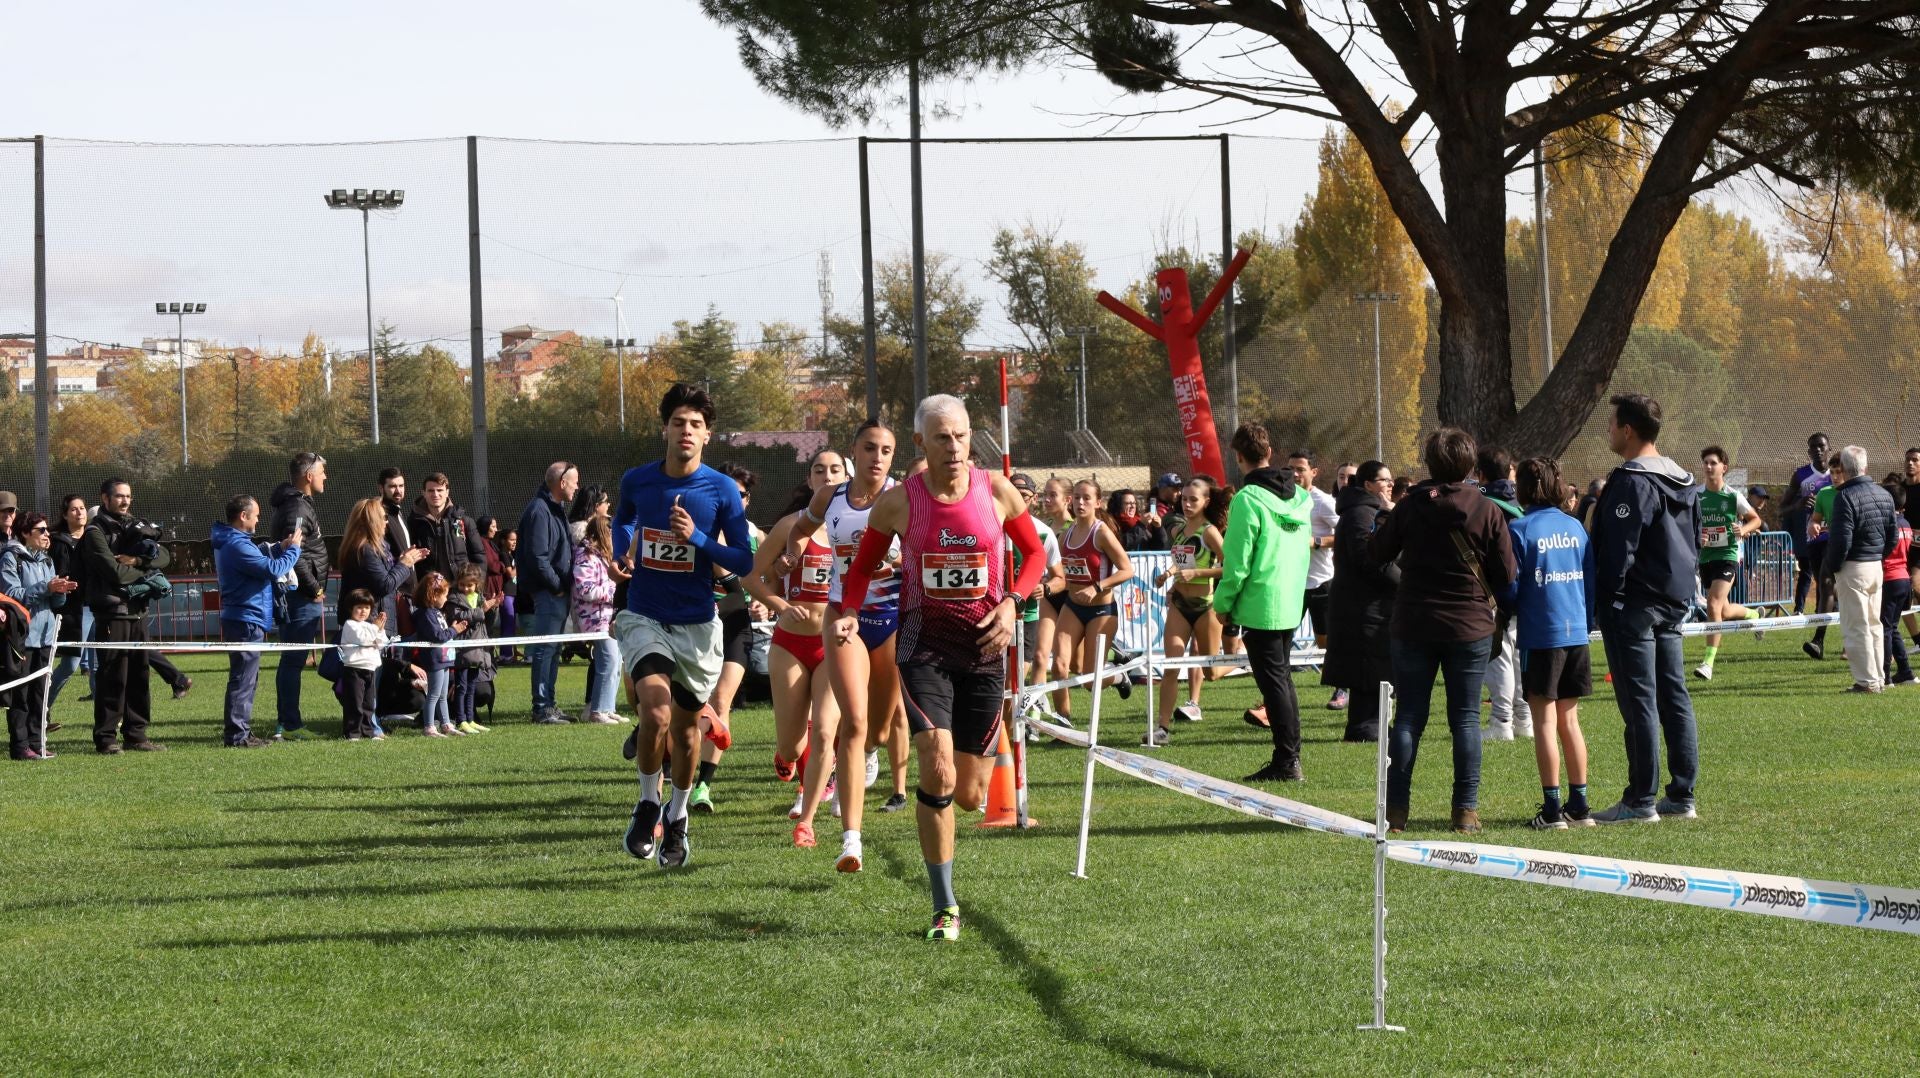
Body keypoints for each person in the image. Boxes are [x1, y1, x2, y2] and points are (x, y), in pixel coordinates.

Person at [827, 393, 1047, 941]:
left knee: (969, 793)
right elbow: (863, 567)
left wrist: (1012, 601)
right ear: (921, 442)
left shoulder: (996, 490)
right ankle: (944, 905)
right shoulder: (899, 503)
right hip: (923, 647)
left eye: (962, 436)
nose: (954, 447)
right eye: (942, 437)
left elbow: (1037, 555)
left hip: (984, 649)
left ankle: (955, 821)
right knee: (938, 768)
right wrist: (849, 610)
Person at [613, 385, 758, 871]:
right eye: (679, 422)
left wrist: (696, 538)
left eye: (696, 424)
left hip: (697, 624)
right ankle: (647, 802)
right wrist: (623, 548)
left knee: (686, 730)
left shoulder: (720, 490)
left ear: (708, 435)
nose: (687, 431)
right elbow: (624, 519)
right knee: (654, 713)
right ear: (665, 430)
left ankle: (677, 815)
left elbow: (743, 559)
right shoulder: (638, 479)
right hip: (645, 614)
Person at [1371, 428, 1515, 833]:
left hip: (1413, 622)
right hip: (1469, 625)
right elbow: (1507, 573)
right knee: (1465, 720)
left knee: (1409, 717)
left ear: (1429, 463)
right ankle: (1465, 811)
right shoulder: (1486, 509)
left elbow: (1376, 553)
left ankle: (1396, 810)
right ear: (1470, 465)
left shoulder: (1409, 507)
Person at [780, 432, 905, 860]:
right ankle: (851, 839)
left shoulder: (903, 497)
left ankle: (869, 752)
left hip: (889, 618)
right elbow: (801, 529)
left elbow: (923, 547)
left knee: (879, 730)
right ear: (854, 453)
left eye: (886, 451)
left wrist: (900, 559)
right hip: (842, 615)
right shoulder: (830, 498)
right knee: (853, 722)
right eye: (869, 449)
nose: (877, 457)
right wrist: (793, 552)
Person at [1591, 393, 1702, 824]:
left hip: (1634, 605)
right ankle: (1682, 795)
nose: (1608, 430)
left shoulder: (1632, 481)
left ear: (1628, 430)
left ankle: (1640, 800)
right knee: (1674, 696)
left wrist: (1608, 597)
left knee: (1641, 701)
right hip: (1672, 601)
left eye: (1611, 423)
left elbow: (1619, 549)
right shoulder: (1683, 478)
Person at [755, 473, 848, 849]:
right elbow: (753, 577)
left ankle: (806, 822)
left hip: (833, 644)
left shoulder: (855, 527)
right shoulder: (789, 526)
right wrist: (779, 600)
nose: (828, 477)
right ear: (810, 480)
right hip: (790, 644)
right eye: (820, 470)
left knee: (825, 731)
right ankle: (785, 755)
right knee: (793, 746)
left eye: (835, 471)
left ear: (846, 478)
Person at [1219, 423, 1314, 783]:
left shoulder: (1247, 499)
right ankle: (1289, 756)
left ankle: (1288, 760)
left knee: (1274, 685)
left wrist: (1223, 602)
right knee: (1282, 681)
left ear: (1238, 456)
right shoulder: (1300, 497)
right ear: (1270, 453)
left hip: (1260, 601)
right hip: (1290, 598)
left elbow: (1237, 561)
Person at [1504, 458, 1597, 830]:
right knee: (1569, 721)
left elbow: (1511, 588)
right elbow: (1589, 582)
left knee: (1544, 721)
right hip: (1576, 633)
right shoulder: (1575, 526)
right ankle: (1580, 806)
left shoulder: (1520, 529)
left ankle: (1552, 810)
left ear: (1523, 489)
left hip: (1542, 635)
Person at [83, 478, 174, 754]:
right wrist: (145, 569)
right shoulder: (94, 531)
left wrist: (137, 560)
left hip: (138, 611)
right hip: (112, 613)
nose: (125, 501)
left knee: (139, 675)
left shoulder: (137, 525)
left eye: (128, 496)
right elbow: (115, 574)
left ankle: (136, 735)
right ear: (105, 498)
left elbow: (164, 556)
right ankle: (106, 738)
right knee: (113, 676)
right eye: (120, 496)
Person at [698, 463, 768, 814]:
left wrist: (764, 603)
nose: (733, 499)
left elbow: (766, 582)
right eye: (726, 492)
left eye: (740, 494)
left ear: (748, 499)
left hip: (736, 624)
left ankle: (702, 786)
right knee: (691, 704)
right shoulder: (701, 529)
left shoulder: (758, 536)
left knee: (722, 700)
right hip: (696, 623)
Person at [211, 494, 304, 748]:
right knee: (243, 679)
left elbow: (262, 559)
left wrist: (280, 547)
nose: (258, 520)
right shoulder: (236, 545)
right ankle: (237, 736)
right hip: (245, 618)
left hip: (247, 618)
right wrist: (294, 549)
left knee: (246, 679)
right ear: (243, 516)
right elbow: (272, 569)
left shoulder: (236, 542)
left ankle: (242, 731)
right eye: (256, 515)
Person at [1322, 462, 1396, 743]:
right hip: (1361, 605)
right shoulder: (1361, 513)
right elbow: (1369, 558)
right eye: (1383, 480)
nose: (1390, 484)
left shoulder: (1364, 510)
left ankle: (1370, 725)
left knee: (1374, 668)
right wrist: (1404, 581)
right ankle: (1366, 727)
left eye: (1391, 479)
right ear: (1367, 485)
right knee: (1367, 668)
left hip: (1368, 603)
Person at [1053, 478, 1136, 722]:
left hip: (1101, 610)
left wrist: (1097, 587)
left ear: (1098, 502)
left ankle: (1119, 676)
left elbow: (1127, 570)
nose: (1080, 503)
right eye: (1077, 497)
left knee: (1090, 680)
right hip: (1073, 607)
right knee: (1059, 665)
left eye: (1086, 498)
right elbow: (1061, 574)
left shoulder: (1101, 533)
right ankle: (1063, 723)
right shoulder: (1065, 535)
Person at [1154, 476, 1225, 742]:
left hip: (1205, 607)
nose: (1187, 503)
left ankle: (1241, 657)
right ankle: (1162, 728)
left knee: (1211, 673)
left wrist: (1198, 573)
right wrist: (1168, 574)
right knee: (1171, 665)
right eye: (1184, 499)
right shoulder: (1180, 530)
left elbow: (1230, 567)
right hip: (1180, 605)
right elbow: (1183, 561)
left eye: (1193, 499)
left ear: (1206, 501)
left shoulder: (1210, 532)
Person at [1, 511, 77, 760]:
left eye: (47, 530)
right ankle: (20, 746)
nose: (47, 535)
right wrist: (46, 587)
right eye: (41, 530)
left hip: (45, 637)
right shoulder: (11, 558)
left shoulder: (46, 560)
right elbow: (12, 596)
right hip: (22, 638)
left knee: (39, 694)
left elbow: (54, 603)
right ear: (25, 533)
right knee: (21, 695)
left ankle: (37, 742)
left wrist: (60, 592)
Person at [1823, 445, 1898, 694]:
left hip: (1853, 567)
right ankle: (1878, 677)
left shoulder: (1844, 497)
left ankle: (1866, 682)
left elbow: (1841, 541)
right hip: (1876, 566)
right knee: (1874, 624)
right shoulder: (1884, 494)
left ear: (1843, 469)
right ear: (1865, 467)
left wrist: (1833, 567)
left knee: (1856, 626)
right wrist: (1878, 556)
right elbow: (1892, 537)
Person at [268, 451, 329, 740]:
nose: (325, 477)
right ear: (308, 476)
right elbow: (297, 554)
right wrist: (314, 588)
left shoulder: (297, 504)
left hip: (298, 595)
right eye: (322, 472)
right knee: (293, 662)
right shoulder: (297, 508)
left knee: (291, 661)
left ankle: (287, 722)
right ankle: (290, 725)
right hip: (300, 597)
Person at [1693, 445, 1764, 681]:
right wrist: (1698, 536)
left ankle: (1708, 663)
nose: (1708, 466)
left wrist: (1743, 530)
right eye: (1705, 462)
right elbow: (1687, 524)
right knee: (1722, 610)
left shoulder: (1733, 496)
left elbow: (1756, 520)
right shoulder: (1696, 496)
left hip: (1728, 556)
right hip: (1706, 558)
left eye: (1713, 463)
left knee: (1713, 604)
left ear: (1724, 467)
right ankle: (1754, 616)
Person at [517, 461, 580, 725]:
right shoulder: (539, 511)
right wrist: (557, 586)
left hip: (556, 592)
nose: (577, 487)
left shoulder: (554, 509)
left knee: (553, 649)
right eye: (574, 482)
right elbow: (537, 558)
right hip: (548, 592)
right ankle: (542, 708)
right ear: (562, 483)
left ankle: (550, 705)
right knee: (545, 648)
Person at [1475, 445, 1529, 740]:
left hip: (1497, 593)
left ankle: (1501, 722)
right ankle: (1524, 719)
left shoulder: (1483, 505)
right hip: (1524, 592)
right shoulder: (1521, 503)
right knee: (1519, 657)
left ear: (1480, 474)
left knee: (1499, 658)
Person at [1008, 473, 1066, 741]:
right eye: (1013, 493)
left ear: (1033, 499)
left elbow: (1060, 578)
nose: (1018, 499)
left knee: (1017, 675)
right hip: (994, 612)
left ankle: (1018, 727)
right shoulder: (992, 526)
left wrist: (1047, 588)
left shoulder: (1044, 533)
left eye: (1024, 495)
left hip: (1027, 615)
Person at [570, 484, 629, 725]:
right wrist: (614, 590)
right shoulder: (586, 556)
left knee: (615, 662)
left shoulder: (602, 557)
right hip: (594, 618)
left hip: (607, 617)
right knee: (608, 662)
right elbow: (585, 590)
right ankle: (597, 711)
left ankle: (607, 707)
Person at [1285, 450, 1340, 694]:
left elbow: (1347, 534)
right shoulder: (1283, 500)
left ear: (1314, 472)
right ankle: (1275, 696)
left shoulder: (1323, 501)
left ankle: (1341, 688)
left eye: (1300, 469)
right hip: (1291, 583)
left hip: (1321, 583)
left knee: (1325, 642)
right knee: (1281, 639)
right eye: (1290, 469)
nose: (1294, 474)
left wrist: (1315, 542)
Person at [338, 497, 425, 633]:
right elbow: (385, 585)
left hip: (376, 621)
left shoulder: (375, 548)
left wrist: (400, 561)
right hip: (369, 623)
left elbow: (382, 576)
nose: (387, 522)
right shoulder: (365, 550)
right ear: (372, 521)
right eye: (384, 517)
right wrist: (404, 564)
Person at [47, 494, 93, 709]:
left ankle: (106, 720)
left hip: (98, 605)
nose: (79, 512)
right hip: (73, 609)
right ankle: (42, 709)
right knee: (70, 664)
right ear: (65, 515)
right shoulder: (57, 542)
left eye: (82, 508)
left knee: (100, 665)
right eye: (74, 509)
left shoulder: (94, 537)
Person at [1802, 452, 1847, 660]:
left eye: (1839, 472)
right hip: (1831, 547)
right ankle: (1818, 641)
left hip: (1855, 552)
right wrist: (1813, 525)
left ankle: (1851, 644)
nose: (1835, 477)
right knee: (1826, 585)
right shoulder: (1824, 493)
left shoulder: (1854, 492)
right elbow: (1816, 518)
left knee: (1850, 593)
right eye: (1833, 472)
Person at [410, 572, 464, 737]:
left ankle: (446, 724)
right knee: (433, 694)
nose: (446, 599)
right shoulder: (426, 614)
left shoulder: (436, 612)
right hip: (435, 659)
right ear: (434, 596)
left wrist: (452, 629)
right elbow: (438, 636)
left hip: (445, 658)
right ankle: (429, 726)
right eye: (444, 595)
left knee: (442, 695)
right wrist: (454, 630)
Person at [408, 472, 488, 584]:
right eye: (431, 490)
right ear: (424, 493)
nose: (435, 494)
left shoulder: (464, 521)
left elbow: (479, 555)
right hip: (430, 589)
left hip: (461, 588)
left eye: (440, 490)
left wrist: (476, 584)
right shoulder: (413, 523)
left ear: (447, 492)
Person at [1785, 433, 1833, 614]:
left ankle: (1828, 611)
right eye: (1813, 447)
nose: (1818, 450)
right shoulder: (1801, 475)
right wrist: (1798, 504)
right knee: (1819, 578)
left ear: (1829, 448)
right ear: (1809, 452)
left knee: (1828, 578)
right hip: (1813, 537)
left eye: (1821, 446)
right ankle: (1810, 611)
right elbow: (1782, 509)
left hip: (1836, 535)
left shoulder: (1839, 473)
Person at [334, 589, 389, 742]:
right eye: (359, 607)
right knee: (354, 703)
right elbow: (363, 639)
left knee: (369, 703)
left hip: (370, 668)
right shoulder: (350, 625)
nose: (363, 611)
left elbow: (381, 643)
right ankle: (352, 733)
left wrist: (381, 629)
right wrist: (375, 628)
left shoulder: (369, 625)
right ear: (351, 608)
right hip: (354, 669)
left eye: (367, 608)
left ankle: (367, 731)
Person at [446, 564, 494, 734]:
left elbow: (485, 621)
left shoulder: (479, 597)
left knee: (472, 686)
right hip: (462, 649)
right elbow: (458, 616)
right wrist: (482, 610)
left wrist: (493, 607)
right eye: (462, 585)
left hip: (477, 649)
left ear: (477, 584)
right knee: (461, 687)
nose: (466, 588)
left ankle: (470, 718)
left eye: (470, 585)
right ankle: (461, 720)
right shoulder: (453, 599)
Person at [1882, 482, 1915, 687]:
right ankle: (1905, 672)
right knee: (1892, 627)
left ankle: (1885, 676)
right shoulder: (1906, 524)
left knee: (1885, 628)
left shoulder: (1887, 524)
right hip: (1904, 577)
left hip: (1889, 578)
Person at [496, 528, 520, 662]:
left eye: (515, 540)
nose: (514, 542)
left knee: (510, 624)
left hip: (512, 594)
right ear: (503, 541)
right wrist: (520, 564)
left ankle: (508, 653)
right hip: (507, 595)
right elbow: (510, 574)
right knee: (508, 624)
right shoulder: (504, 554)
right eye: (511, 540)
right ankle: (506, 655)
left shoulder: (511, 555)